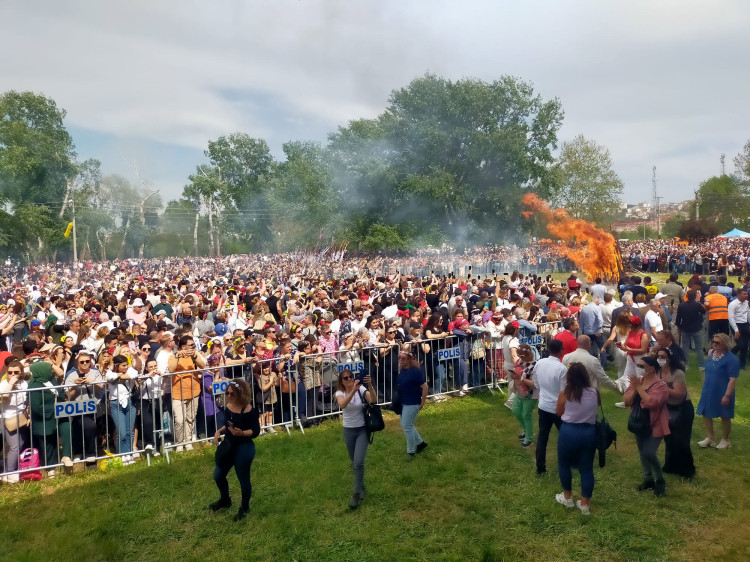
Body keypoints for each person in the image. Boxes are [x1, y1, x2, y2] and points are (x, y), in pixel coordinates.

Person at [210, 379, 261, 522]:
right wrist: (219, 431)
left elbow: (256, 431)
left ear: (240, 394)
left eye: (232, 393)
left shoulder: (249, 411)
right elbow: (228, 425)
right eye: (227, 393)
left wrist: (242, 433)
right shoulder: (228, 406)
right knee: (218, 475)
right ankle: (225, 500)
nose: (229, 396)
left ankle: (244, 508)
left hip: (244, 446)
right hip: (229, 444)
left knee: (243, 479)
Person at [554, 362, 599, 516]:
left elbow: (558, 412)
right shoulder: (595, 392)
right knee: (586, 468)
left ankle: (567, 497)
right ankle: (585, 504)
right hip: (589, 432)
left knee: (564, 464)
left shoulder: (566, 393)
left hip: (569, 431)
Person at [623, 356, 670, 497]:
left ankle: (660, 479)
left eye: (642, 366)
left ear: (652, 368)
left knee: (649, 452)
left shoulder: (661, 385)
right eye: (638, 365)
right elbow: (626, 401)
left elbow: (651, 402)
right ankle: (648, 479)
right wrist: (636, 388)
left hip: (656, 423)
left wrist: (638, 387)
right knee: (642, 452)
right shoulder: (639, 382)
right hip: (640, 423)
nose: (639, 368)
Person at [335, 368, 376, 510]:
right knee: (354, 463)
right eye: (346, 378)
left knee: (358, 462)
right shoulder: (340, 393)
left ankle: (356, 494)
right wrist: (352, 391)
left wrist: (370, 385)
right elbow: (343, 404)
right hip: (349, 431)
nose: (349, 379)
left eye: (351, 376)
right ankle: (362, 487)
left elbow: (373, 399)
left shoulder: (361, 389)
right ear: (341, 381)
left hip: (362, 429)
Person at [656, 348, 695, 479]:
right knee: (669, 439)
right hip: (667, 408)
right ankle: (670, 466)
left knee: (682, 440)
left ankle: (687, 470)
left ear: (669, 358)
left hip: (683, 409)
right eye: (658, 356)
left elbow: (679, 393)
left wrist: (661, 386)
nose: (660, 359)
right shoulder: (658, 372)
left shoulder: (678, 373)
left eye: (663, 356)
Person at [696, 332, 739, 450]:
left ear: (725, 344)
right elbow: (706, 372)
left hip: (722, 390)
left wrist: (727, 395)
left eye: (717, 342)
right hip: (709, 389)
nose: (714, 344)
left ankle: (725, 440)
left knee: (725, 414)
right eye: (713, 342)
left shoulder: (732, 359)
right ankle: (710, 437)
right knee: (705, 411)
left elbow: (733, 379)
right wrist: (703, 386)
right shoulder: (711, 354)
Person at [532, 339, 567, 476]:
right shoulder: (561, 368)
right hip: (558, 408)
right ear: (561, 351)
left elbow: (536, 383)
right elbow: (564, 391)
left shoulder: (539, 363)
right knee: (565, 436)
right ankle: (567, 463)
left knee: (542, 437)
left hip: (543, 405)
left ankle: (540, 467)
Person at [168, 335, 206, 451]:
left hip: (193, 390)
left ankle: (188, 441)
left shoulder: (195, 355)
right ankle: (180, 442)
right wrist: (177, 356)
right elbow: (171, 369)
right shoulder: (173, 356)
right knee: (179, 420)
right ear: (183, 347)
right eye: (191, 345)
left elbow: (203, 366)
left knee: (191, 418)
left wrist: (195, 356)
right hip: (178, 392)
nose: (193, 347)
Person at [105, 354, 139, 465]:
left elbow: (134, 374)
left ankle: (129, 454)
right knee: (122, 432)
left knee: (130, 431)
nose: (126, 367)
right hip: (116, 403)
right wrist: (120, 375)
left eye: (126, 365)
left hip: (130, 401)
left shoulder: (130, 370)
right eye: (123, 365)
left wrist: (120, 376)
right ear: (116, 365)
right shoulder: (109, 372)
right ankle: (122, 454)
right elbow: (110, 377)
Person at [0, 360, 29, 482]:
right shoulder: (3, 384)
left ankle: (10, 469)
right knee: (14, 446)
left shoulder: (24, 383)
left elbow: (26, 401)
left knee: (21, 443)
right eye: (10, 372)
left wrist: (28, 416)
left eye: (16, 372)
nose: (13, 374)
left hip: (20, 417)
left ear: (21, 372)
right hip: (7, 418)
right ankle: (9, 473)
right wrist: (11, 383)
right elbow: (4, 396)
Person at [397, 351, 428, 459]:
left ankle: (411, 452)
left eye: (403, 358)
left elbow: (425, 387)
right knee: (406, 425)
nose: (400, 360)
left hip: (412, 402)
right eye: (399, 357)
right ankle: (420, 443)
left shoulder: (415, 371)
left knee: (407, 426)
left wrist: (422, 402)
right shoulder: (402, 370)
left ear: (410, 359)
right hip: (403, 401)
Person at [614, 316, 649, 406]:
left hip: (640, 359)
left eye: (632, 327)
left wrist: (629, 349)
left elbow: (644, 350)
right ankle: (627, 400)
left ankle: (641, 400)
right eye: (629, 326)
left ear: (637, 326)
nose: (630, 328)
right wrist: (621, 346)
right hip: (630, 359)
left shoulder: (644, 335)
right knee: (627, 378)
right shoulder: (630, 332)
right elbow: (626, 344)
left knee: (641, 379)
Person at [511, 344, 537, 448]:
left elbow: (535, 384)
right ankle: (527, 430)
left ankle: (529, 437)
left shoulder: (535, 365)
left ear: (528, 355)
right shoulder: (520, 362)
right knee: (516, 411)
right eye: (519, 355)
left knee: (526, 414)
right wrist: (514, 376)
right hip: (519, 391)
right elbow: (517, 372)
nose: (520, 358)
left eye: (522, 356)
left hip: (531, 393)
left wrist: (521, 378)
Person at [675, 290, 706, 370]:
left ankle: (686, 365)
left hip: (685, 328)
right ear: (695, 296)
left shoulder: (681, 305)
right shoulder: (697, 305)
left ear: (687, 296)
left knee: (685, 347)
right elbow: (704, 311)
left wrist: (679, 326)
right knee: (699, 347)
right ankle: (701, 365)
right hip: (697, 328)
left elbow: (678, 318)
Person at [728, 287, 750, 369]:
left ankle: (742, 365)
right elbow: (731, 317)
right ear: (738, 295)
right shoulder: (733, 304)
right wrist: (736, 330)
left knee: (745, 346)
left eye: (747, 294)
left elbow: (748, 313)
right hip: (736, 325)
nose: (746, 295)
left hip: (745, 324)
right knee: (740, 345)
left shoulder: (746, 303)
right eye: (744, 294)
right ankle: (728, 356)